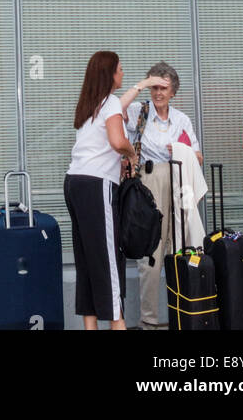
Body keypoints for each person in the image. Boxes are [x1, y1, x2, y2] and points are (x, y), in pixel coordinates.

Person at [64, 52, 169, 330]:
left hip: (75, 182)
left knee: (87, 258)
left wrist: (144, 84)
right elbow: (117, 140)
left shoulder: (91, 104)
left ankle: (90, 326)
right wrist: (131, 155)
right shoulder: (109, 103)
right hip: (96, 184)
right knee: (109, 258)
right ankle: (118, 324)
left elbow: (118, 107)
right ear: (110, 74)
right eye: (120, 70)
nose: (122, 74)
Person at [124, 60, 202, 330]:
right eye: (154, 87)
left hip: (179, 179)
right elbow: (114, 110)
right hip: (150, 181)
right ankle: (149, 321)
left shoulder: (182, 119)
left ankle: (181, 316)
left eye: (163, 88)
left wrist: (181, 151)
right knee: (152, 251)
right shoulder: (139, 111)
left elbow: (198, 157)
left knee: (180, 247)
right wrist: (141, 85)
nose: (158, 93)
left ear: (173, 92)